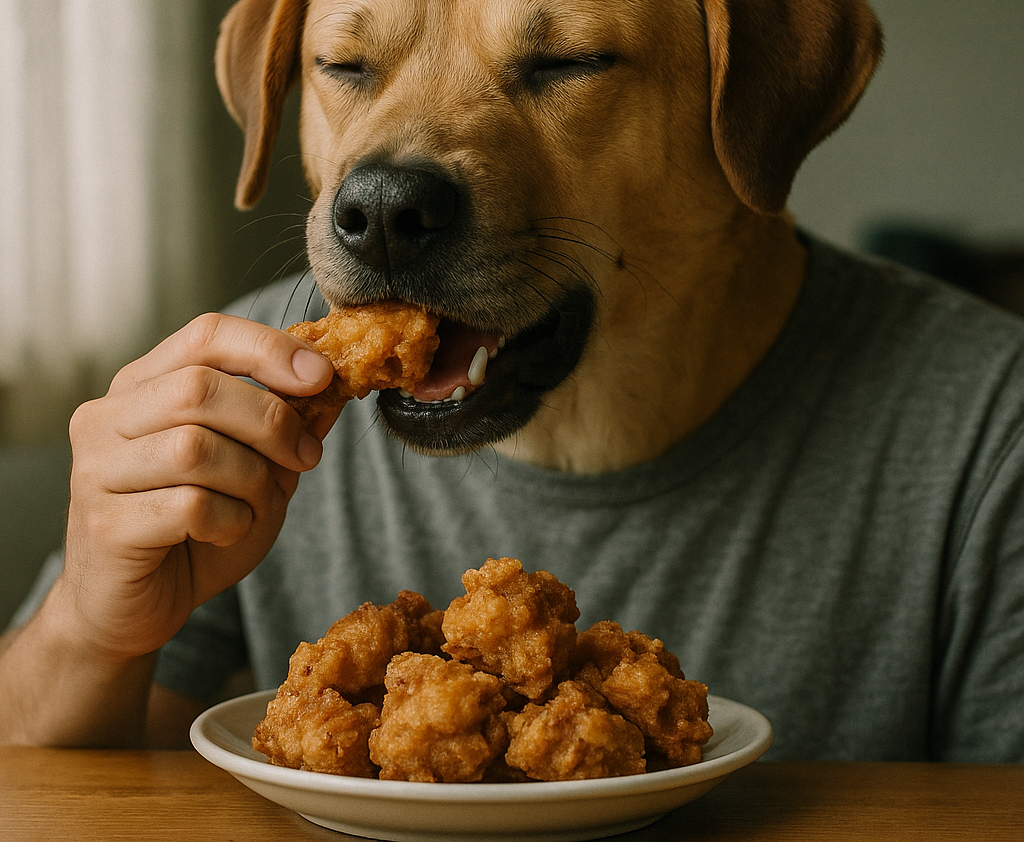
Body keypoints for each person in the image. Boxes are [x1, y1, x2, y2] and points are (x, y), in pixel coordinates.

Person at [2, 231, 1023, 761]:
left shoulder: (987, 417)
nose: (387, 184)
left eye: (557, 66)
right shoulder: (230, 394)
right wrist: (94, 630)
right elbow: (59, 789)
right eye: (352, 69)